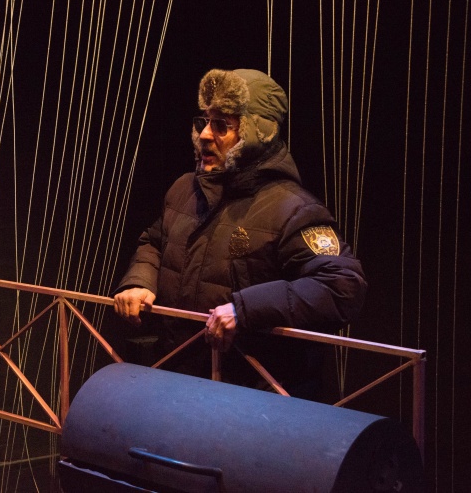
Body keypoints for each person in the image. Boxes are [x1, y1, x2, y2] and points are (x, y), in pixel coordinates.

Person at [113, 68, 367, 399]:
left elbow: (341, 287)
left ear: (257, 132)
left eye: (222, 125)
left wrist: (244, 309)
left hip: (253, 399)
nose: (205, 135)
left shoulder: (292, 208)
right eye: (204, 121)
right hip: (179, 383)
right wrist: (139, 281)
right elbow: (155, 242)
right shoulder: (184, 190)